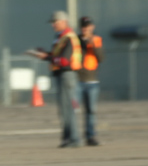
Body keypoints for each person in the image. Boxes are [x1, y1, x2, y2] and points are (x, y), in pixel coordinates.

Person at [32, 11, 82, 147]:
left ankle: (74, 139)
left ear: (64, 22)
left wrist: (46, 57)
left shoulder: (68, 37)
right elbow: (57, 56)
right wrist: (45, 54)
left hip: (67, 74)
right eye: (52, 22)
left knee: (68, 108)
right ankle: (67, 138)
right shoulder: (60, 37)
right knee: (64, 109)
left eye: (55, 22)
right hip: (62, 75)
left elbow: (64, 60)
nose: (53, 25)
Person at [78, 16, 104, 146]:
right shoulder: (75, 39)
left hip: (92, 81)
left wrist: (92, 42)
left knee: (91, 111)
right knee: (73, 110)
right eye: (83, 26)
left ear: (92, 27)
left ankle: (90, 136)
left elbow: (101, 58)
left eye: (87, 26)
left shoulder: (97, 40)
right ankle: (73, 137)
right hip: (77, 81)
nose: (85, 28)